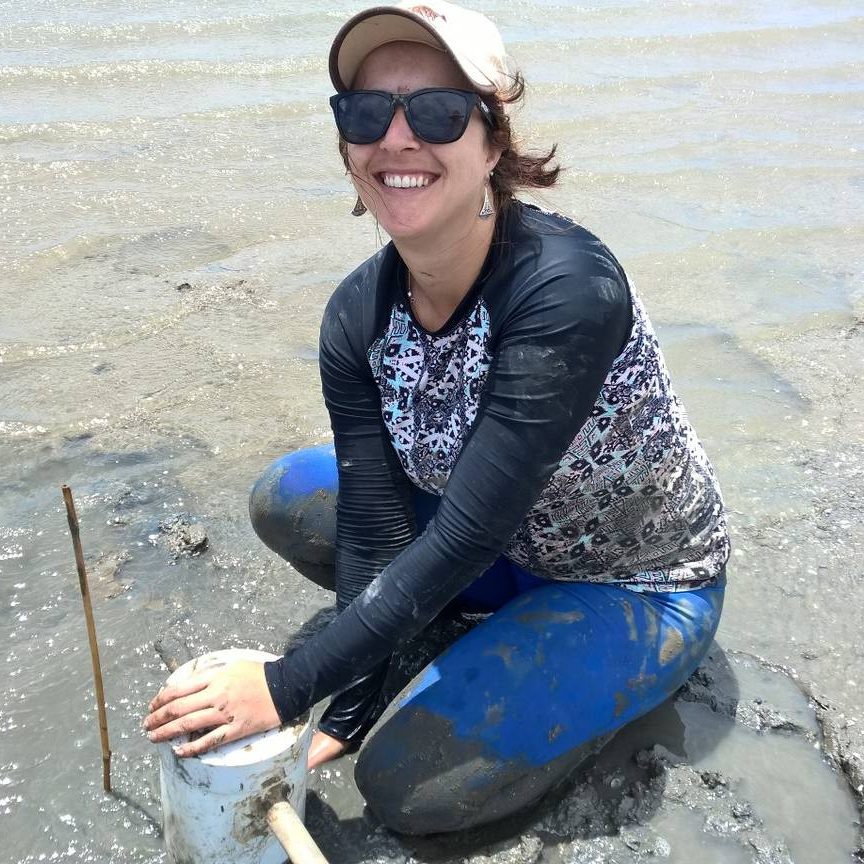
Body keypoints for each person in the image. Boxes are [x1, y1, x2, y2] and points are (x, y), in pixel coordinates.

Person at [144, 0, 729, 835]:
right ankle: (476, 633)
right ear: (347, 146)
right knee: (288, 495)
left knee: (405, 791)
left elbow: (465, 536)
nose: (397, 138)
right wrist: (351, 702)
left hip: (631, 581)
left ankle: (562, 657)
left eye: (438, 112)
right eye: (366, 113)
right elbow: (376, 519)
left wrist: (285, 687)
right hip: (500, 550)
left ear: (494, 145)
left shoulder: (567, 288)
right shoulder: (357, 315)